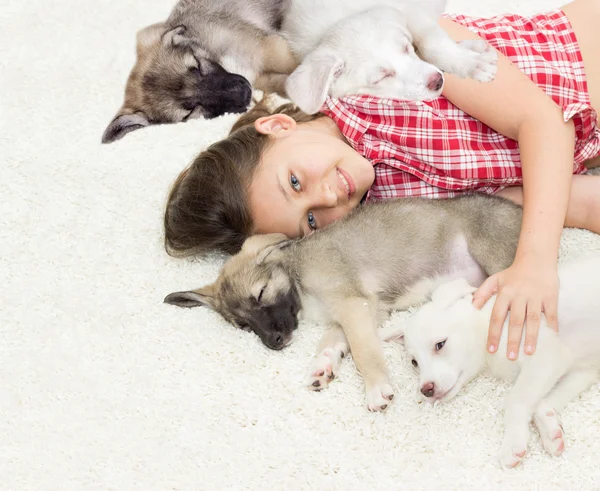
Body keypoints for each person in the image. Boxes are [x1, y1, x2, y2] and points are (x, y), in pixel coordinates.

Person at [164, 0, 600, 361]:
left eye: (296, 183)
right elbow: (566, 201)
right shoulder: (395, 205)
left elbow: (545, 121)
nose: (329, 197)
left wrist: (535, 262)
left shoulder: (371, 65)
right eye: (312, 222)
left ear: (279, 126)